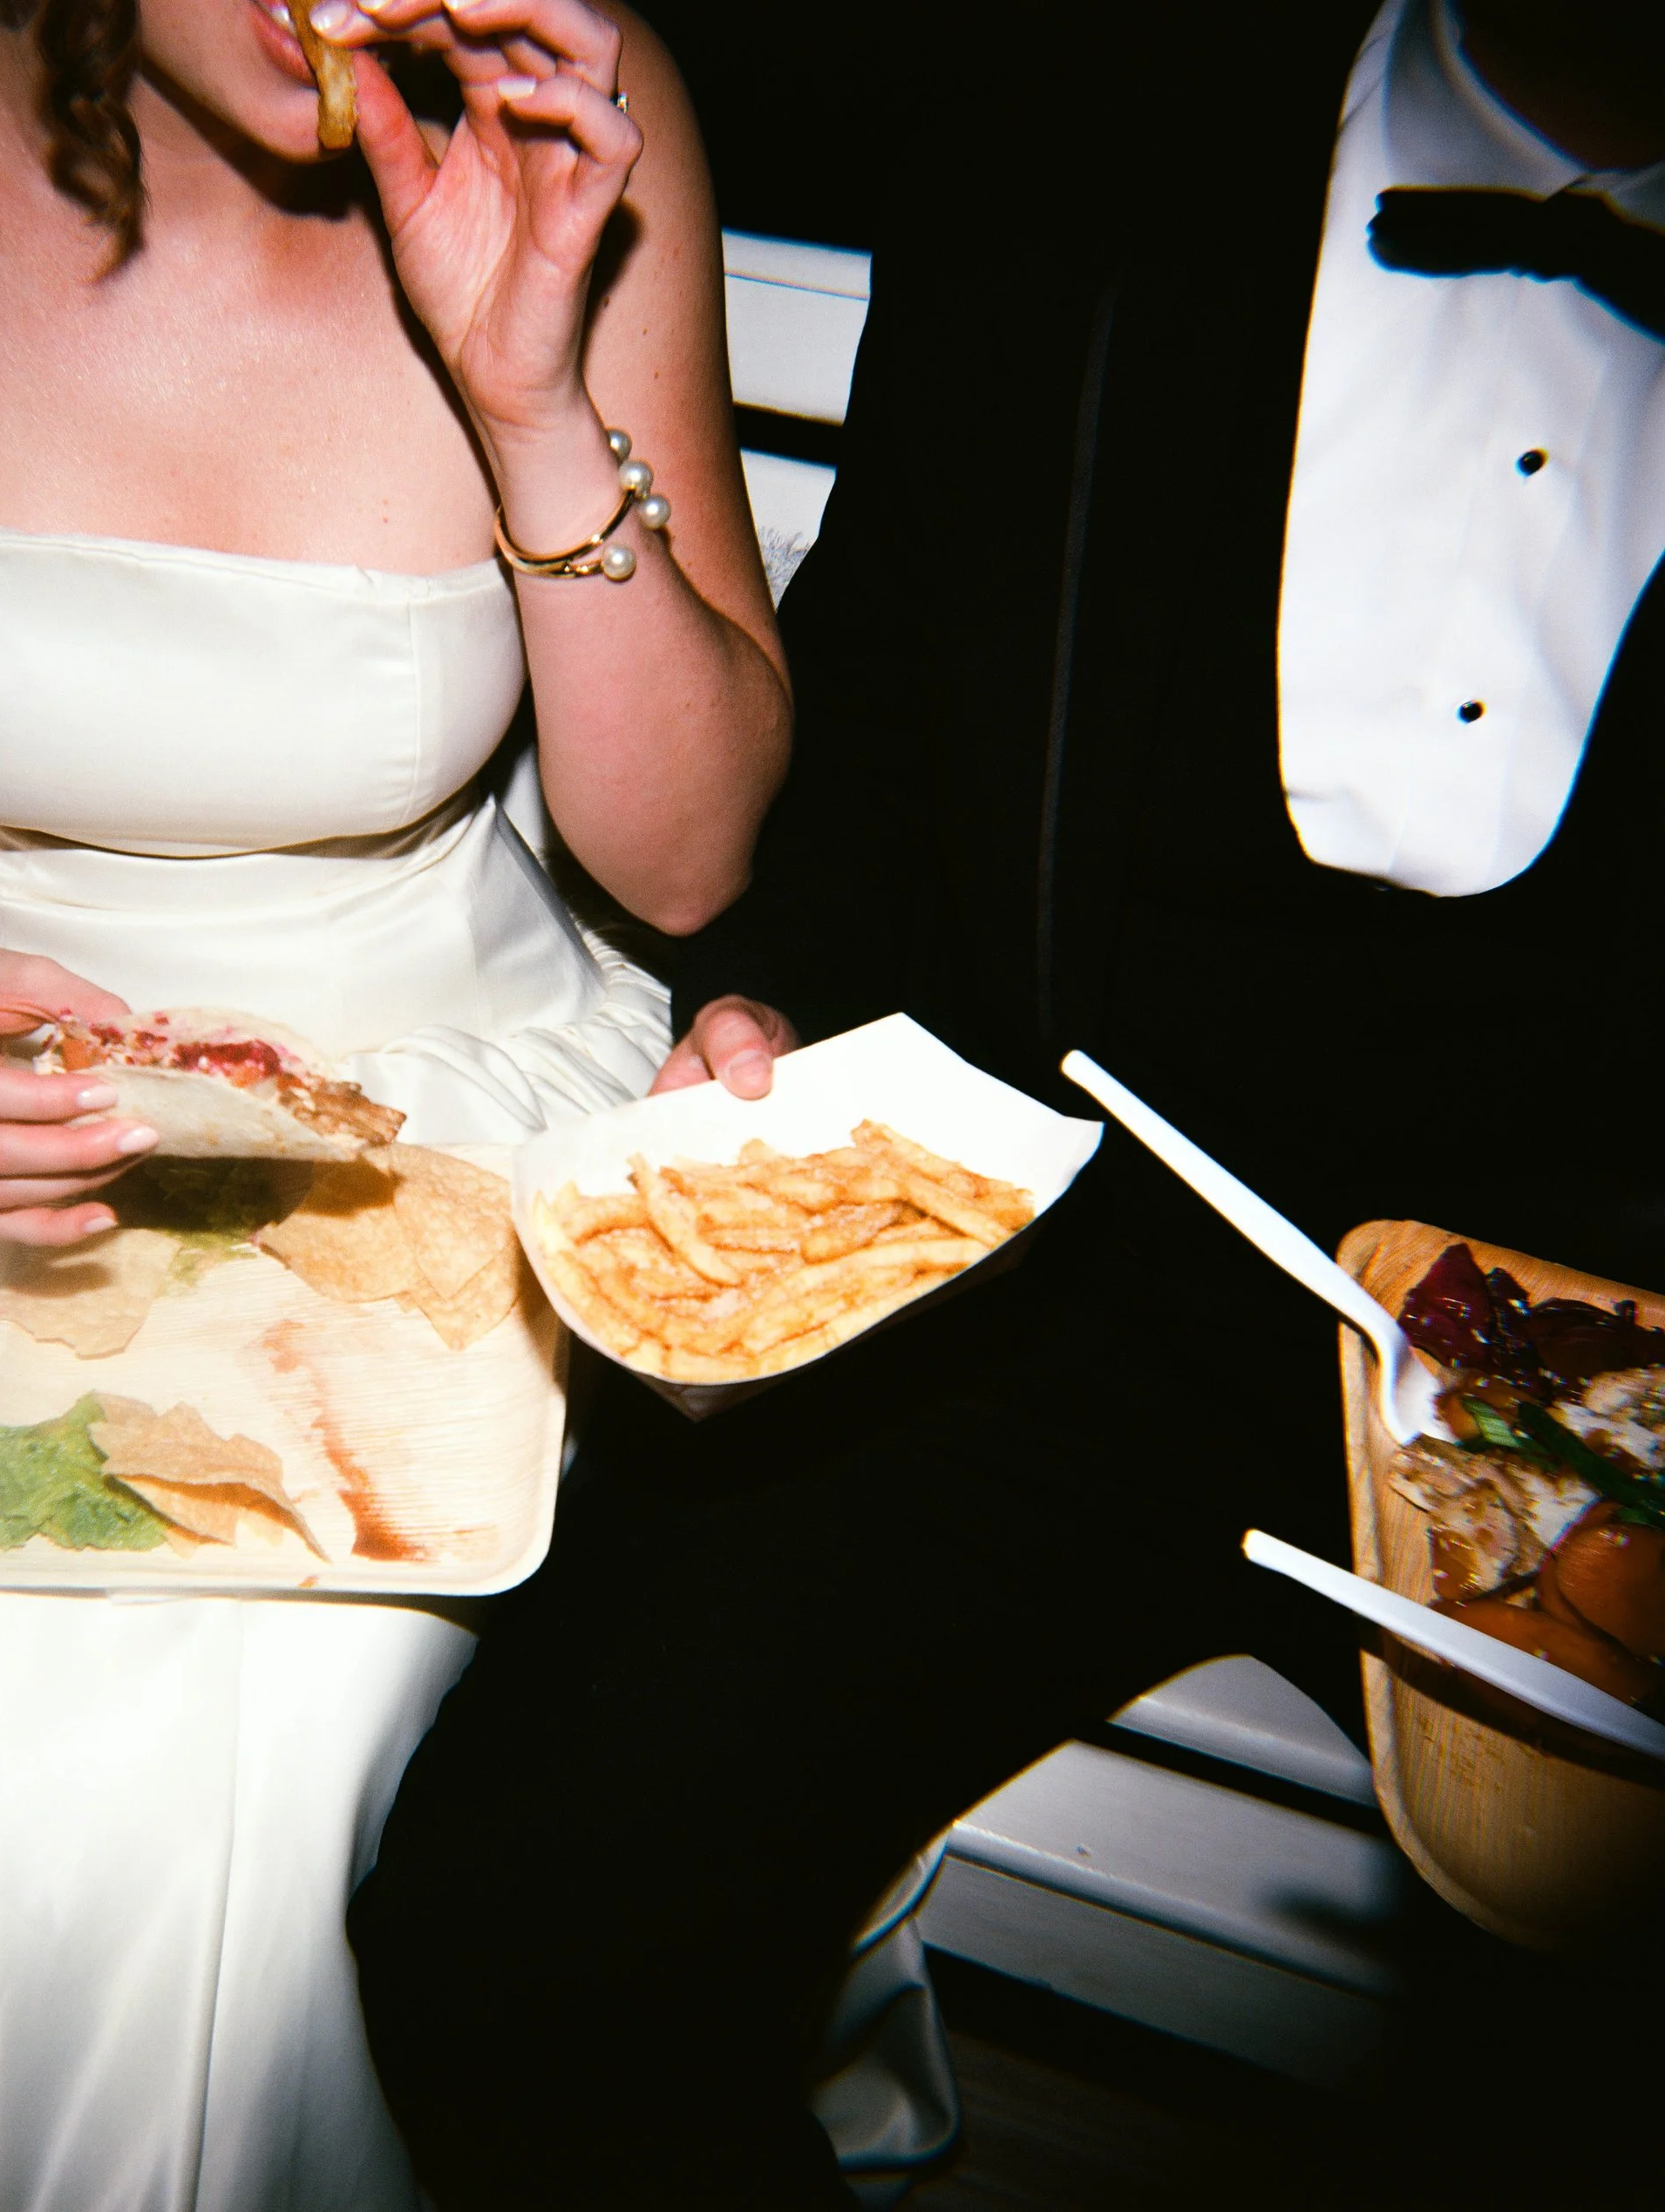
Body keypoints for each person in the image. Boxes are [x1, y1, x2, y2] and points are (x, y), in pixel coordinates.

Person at [348, 1, 1665, 2204]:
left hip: (1601, 1346)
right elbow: (879, 717)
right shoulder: (1089, 120)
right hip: (1064, 1226)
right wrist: (786, 1006)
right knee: (517, 1925)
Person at [0, 0, 787, 2200]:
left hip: (418, 1070)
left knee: (164, 1817)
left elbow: (683, 863)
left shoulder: (576, 106)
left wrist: (532, 402)